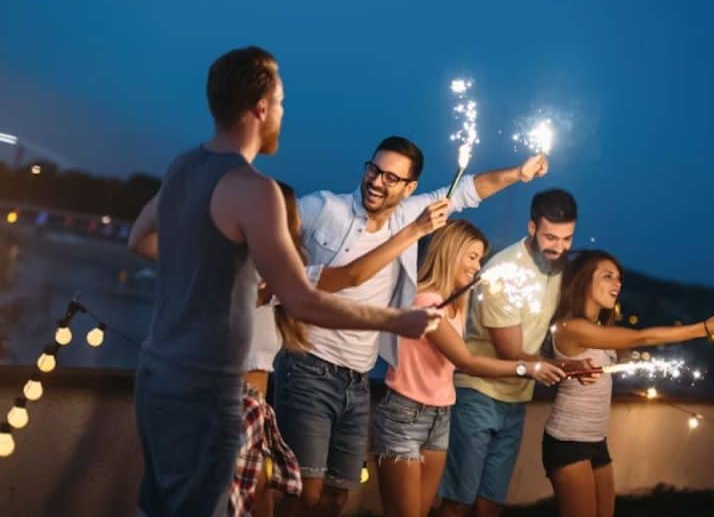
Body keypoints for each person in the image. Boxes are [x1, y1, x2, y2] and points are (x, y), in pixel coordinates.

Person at [127, 47, 437, 517]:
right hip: (207, 387)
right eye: (283, 102)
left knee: (159, 507)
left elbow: (140, 239)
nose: (284, 114)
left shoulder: (184, 166)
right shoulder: (255, 190)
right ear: (261, 109)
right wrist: (399, 320)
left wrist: (214, 261)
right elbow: (303, 301)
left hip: (156, 374)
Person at [276, 136, 551, 516]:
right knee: (302, 492)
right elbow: (278, 236)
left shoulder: (410, 213)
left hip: (357, 378)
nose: (377, 181)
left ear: (409, 189)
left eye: (391, 178)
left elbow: (471, 189)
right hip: (308, 363)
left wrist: (519, 173)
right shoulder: (324, 207)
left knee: (337, 496)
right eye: (374, 170)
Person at [227, 181, 449, 517]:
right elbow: (346, 282)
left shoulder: (282, 274)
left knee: (276, 502)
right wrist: (394, 320)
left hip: (254, 413)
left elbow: (340, 282)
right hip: (229, 408)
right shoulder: (256, 274)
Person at [371, 220, 590, 517]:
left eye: (480, 258)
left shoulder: (457, 305)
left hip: (441, 414)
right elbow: (466, 361)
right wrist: (527, 368)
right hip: (405, 415)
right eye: (472, 257)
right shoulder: (425, 301)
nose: (478, 266)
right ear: (451, 253)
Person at [543, 249, 714, 517]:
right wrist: (703, 328)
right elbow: (641, 338)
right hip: (568, 440)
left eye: (619, 279)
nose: (617, 284)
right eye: (608, 276)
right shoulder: (570, 327)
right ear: (583, 280)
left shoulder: (598, 326)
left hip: (596, 440)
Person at [437, 189, 578, 517]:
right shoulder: (505, 270)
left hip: (517, 398)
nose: (559, 247)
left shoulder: (558, 268)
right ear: (531, 228)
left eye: (567, 238)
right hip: (478, 393)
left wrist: (572, 364)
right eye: (551, 237)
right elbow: (510, 351)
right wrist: (558, 366)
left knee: (491, 505)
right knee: (459, 500)